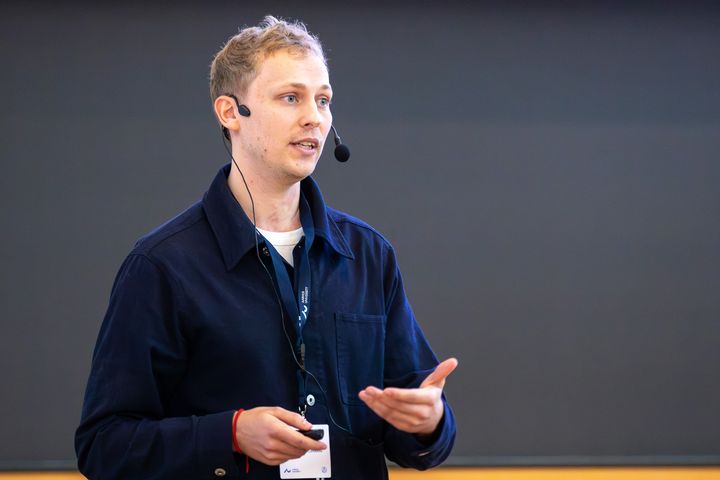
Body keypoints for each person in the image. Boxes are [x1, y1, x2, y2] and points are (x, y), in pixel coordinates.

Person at [75, 15, 457, 479]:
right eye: (290, 97)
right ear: (230, 112)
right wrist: (230, 434)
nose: (314, 117)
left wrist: (429, 422)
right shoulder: (161, 266)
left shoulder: (368, 255)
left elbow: (417, 432)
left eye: (323, 100)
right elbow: (104, 446)